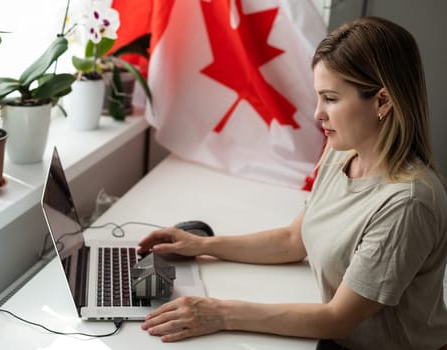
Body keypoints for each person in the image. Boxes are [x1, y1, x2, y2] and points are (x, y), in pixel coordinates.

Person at [137, 16, 447, 349]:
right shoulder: (343, 151)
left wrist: (219, 313)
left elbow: (337, 319)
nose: (318, 114)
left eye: (330, 98)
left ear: (383, 101)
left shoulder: (407, 204)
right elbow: (292, 240)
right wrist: (201, 246)